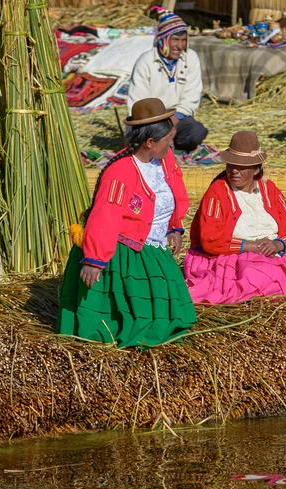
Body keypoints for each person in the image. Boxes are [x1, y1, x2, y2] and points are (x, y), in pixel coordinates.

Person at [57, 98, 197, 347]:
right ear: (150, 142)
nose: (171, 144)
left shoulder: (165, 160)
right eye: (167, 140)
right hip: (124, 249)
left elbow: (174, 193)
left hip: (153, 246)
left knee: (173, 312)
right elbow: (105, 216)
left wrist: (174, 226)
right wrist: (95, 260)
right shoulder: (120, 172)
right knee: (140, 319)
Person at [184, 131, 286, 304]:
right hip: (228, 257)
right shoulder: (218, 191)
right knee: (253, 275)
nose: (234, 171)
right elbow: (210, 238)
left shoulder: (268, 189)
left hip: (269, 256)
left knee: (272, 276)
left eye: (241, 167)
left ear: (256, 169)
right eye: (231, 165)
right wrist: (251, 246)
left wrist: (277, 244)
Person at [127, 6, 207, 154]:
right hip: (148, 121)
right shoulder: (146, 61)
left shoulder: (190, 58)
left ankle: (168, 144)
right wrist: (159, 127)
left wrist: (171, 124)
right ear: (163, 39)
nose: (180, 46)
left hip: (176, 118)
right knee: (140, 138)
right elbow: (137, 102)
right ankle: (161, 144)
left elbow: (191, 98)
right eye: (175, 40)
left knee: (197, 132)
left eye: (183, 40)